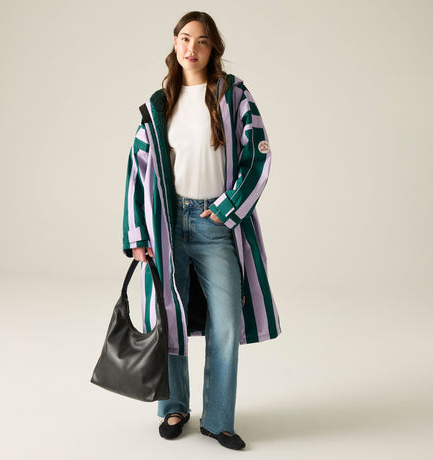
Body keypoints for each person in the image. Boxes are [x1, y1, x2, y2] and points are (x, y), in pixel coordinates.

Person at [122, 11, 281, 450]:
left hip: (214, 223)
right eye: (184, 39)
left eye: (202, 41)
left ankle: (218, 420)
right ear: (175, 43)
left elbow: (259, 155)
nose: (192, 48)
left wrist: (227, 208)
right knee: (168, 315)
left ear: (213, 49)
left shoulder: (233, 95)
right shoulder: (158, 105)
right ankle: (173, 407)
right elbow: (138, 172)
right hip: (168, 225)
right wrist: (138, 236)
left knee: (226, 320)